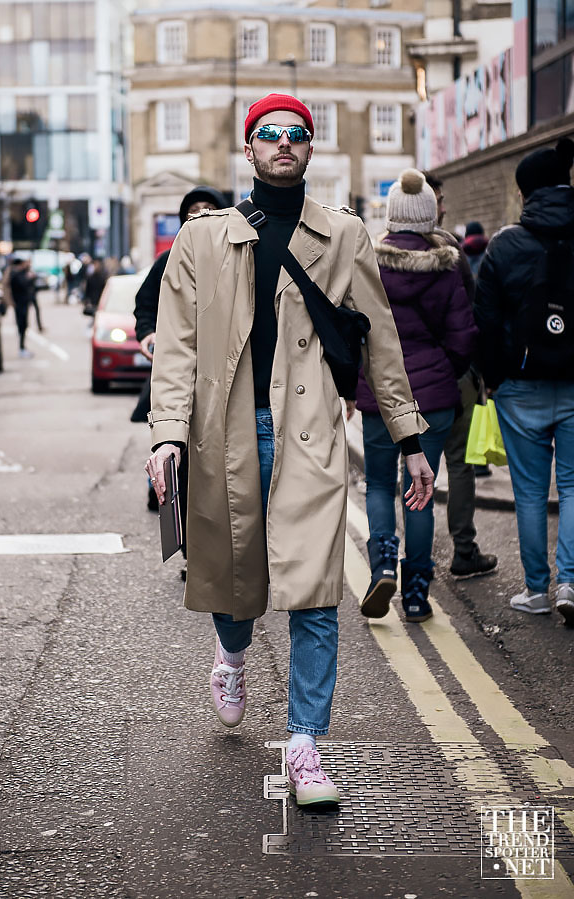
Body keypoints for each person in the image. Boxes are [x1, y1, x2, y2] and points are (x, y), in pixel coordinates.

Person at [144, 94, 433, 807]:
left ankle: (304, 744)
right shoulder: (203, 238)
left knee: (313, 594)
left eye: (295, 134)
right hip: (229, 435)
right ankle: (232, 653)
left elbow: (381, 342)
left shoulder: (344, 236)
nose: (282, 143)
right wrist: (167, 435)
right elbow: (176, 346)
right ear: (248, 150)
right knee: (234, 579)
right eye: (268, 134)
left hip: (309, 435)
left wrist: (410, 436)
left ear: (310, 149)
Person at [354, 169, 478, 623]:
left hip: (379, 398)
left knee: (381, 484)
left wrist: (355, 385)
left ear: (392, 215)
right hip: (434, 397)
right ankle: (416, 594)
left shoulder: (367, 263)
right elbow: (464, 337)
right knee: (421, 490)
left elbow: (356, 334)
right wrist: (446, 372)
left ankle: (382, 564)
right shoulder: (447, 267)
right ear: (429, 214)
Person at [475, 137, 574, 625]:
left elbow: (486, 322)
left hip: (520, 386)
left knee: (532, 492)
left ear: (525, 194)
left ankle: (537, 590)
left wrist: (494, 380)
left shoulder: (505, 245)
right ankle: (569, 583)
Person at [132, 185, 228, 517]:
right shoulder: (168, 260)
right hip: (181, 368)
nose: (200, 213)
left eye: (209, 208)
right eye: (193, 209)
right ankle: (159, 489)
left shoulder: (238, 258)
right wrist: (147, 333)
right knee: (172, 436)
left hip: (222, 374)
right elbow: (144, 305)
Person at [424, 172, 498, 578]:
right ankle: (464, 551)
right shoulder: (450, 251)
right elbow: (471, 317)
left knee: (415, 468)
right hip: (454, 378)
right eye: (437, 199)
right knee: (461, 465)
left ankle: (417, 563)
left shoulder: (380, 252)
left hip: (410, 382)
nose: (444, 206)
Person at [9, 258, 35, 357]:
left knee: (23, 325)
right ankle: (21, 348)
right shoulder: (16, 274)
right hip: (20, 303)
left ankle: (22, 347)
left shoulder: (18, 273)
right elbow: (23, 285)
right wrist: (29, 278)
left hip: (22, 303)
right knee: (22, 325)